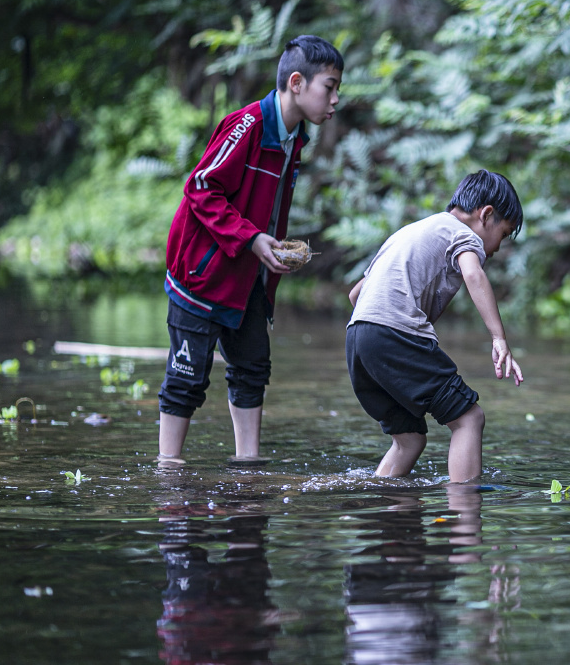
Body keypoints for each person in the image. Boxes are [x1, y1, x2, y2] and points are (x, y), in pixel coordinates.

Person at [157, 35, 344, 467]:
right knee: (186, 379)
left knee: (252, 370)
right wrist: (252, 238)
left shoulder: (295, 138)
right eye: (329, 87)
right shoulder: (246, 124)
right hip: (201, 275)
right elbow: (201, 186)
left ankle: (249, 468)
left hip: (250, 277)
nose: (335, 100)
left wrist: (272, 251)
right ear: (296, 83)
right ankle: (167, 472)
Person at [346, 170, 525, 483]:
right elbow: (473, 275)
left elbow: (355, 294)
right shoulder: (463, 233)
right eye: (504, 234)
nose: (495, 249)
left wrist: (378, 337)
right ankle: (466, 515)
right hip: (393, 335)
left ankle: (380, 499)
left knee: (409, 439)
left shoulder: (412, 231)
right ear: (487, 215)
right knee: (469, 419)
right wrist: (499, 338)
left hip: (358, 339)